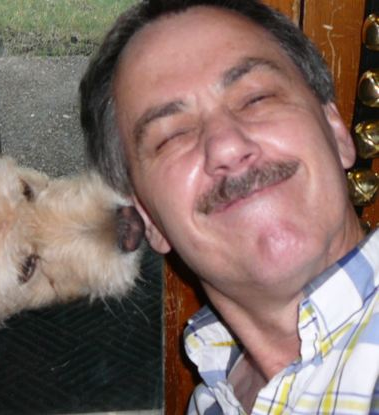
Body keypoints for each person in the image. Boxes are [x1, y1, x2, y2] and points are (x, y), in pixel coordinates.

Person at [79, 0, 378, 413]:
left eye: (256, 98)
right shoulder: (211, 402)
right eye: (173, 135)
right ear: (149, 220)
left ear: (337, 132)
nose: (226, 146)